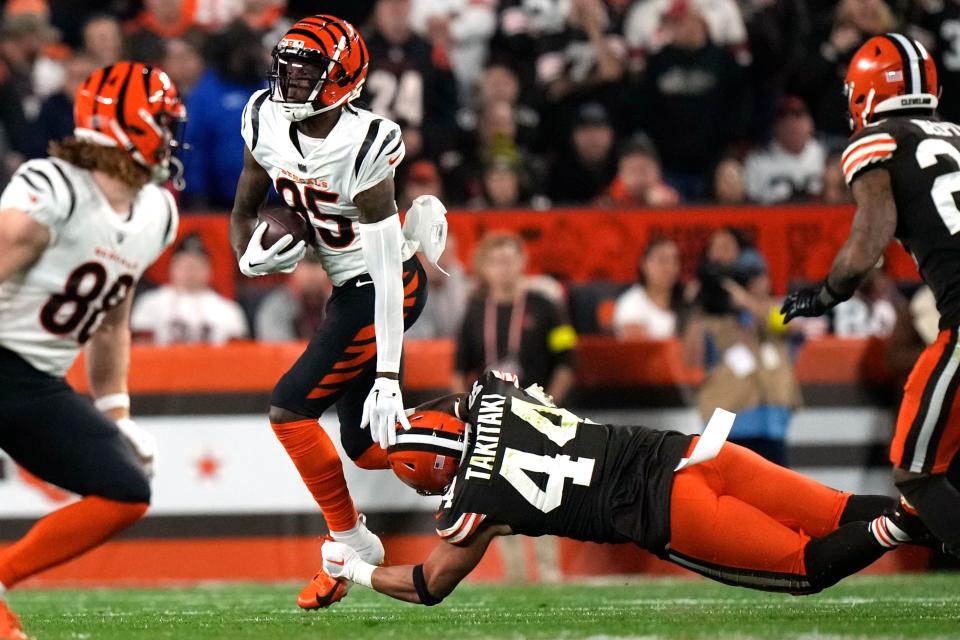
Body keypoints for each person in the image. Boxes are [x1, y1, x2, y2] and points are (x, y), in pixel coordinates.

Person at [318, 370, 926, 606]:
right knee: (837, 510)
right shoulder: (492, 396)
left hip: (668, 512)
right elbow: (467, 399)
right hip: (691, 451)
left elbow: (428, 586)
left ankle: (898, 527)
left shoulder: (471, 507)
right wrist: (411, 418)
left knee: (804, 568)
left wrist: (354, 569)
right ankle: (938, 517)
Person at [228, 14, 436, 610]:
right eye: (286, 67)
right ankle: (498, 440)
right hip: (349, 292)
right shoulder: (262, 116)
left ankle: (351, 541)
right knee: (371, 446)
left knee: (290, 411)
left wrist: (391, 375)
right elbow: (245, 203)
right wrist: (247, 258)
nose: (291, 81)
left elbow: (389, 270)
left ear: (343, 78)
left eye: (307, 70)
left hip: (382, 285)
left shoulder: (365, 143)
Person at [0, 61, 185, 639]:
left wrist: (117, 414)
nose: (172, 136)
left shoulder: (156, 211)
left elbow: (111, 325)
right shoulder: (53, 188)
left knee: (125, 490)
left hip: (36, 383)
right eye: (163, 121)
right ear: (130, 124)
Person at [781, 34, 960, 559]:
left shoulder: (877, 140)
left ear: (863, 94)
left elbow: (869, 238)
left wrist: (826, 294)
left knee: (917, 475)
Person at [453, 232, 577, 404]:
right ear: (482, 267)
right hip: (489, 410)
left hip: (537, 407)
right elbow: (459, 370)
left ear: (522, 261)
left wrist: (548, 406)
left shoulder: (548, 306)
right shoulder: (473, 311)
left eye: (508, 260)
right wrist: (466, 409)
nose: (503, 268)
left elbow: (567, 362)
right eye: (495, 262)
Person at [130, 235, 248, 345]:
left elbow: (236, 354)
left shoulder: (228, 309)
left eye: (196, 266)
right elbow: (142, 348)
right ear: (171, 268)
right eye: (184, 265)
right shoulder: (150, 303)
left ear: (209, 270)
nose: (190, 272)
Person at [743, 97, 826, 204]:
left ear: (810, 124)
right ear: (775, 127)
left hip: (820, 217)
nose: (793, 125)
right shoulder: (757, 161)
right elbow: (749, 203)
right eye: (786, 121)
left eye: (798, 118)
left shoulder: (825, 154)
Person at [613, 238, 684, 339]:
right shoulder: (631, 305)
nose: (670, 268)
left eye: (675, 261)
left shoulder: (686, 301)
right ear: (644, 264)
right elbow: (644, 351)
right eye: (663, 260)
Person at [255, 253, 332, 342]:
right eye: (305, 265)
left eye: (317, 264)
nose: (312, 273)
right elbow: (278, 350)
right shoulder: (276, 307)